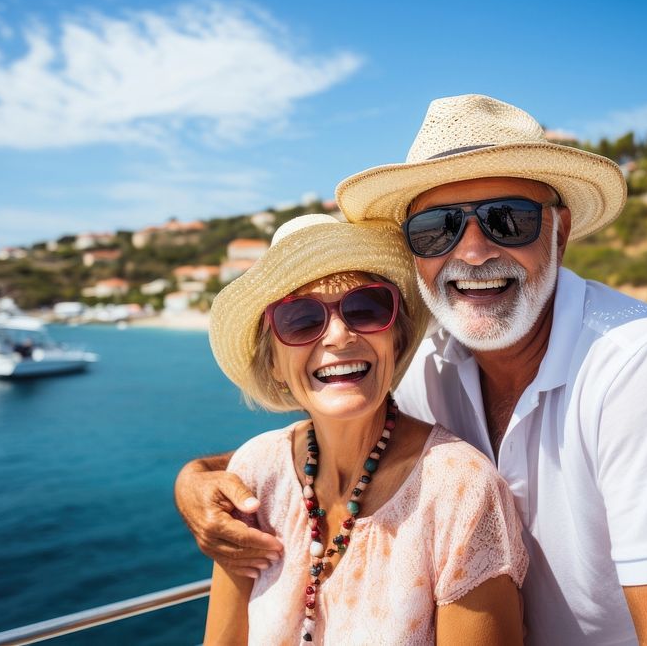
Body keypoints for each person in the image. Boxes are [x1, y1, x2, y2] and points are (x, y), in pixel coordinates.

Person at [179, 95, 647, 644]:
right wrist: (198, 478)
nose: (474, 249)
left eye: (507, 219)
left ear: (560, 230)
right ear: (415, 252)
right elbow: (323, 436)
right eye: (436, 229)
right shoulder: (424, 361)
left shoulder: (637, 362)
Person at [201, 214, 527, 644]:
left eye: (366, 308)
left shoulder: (460, 491)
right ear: (275, 363)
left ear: (397, 337)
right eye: (300, 319)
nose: (338, 335)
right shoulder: (254, 471)